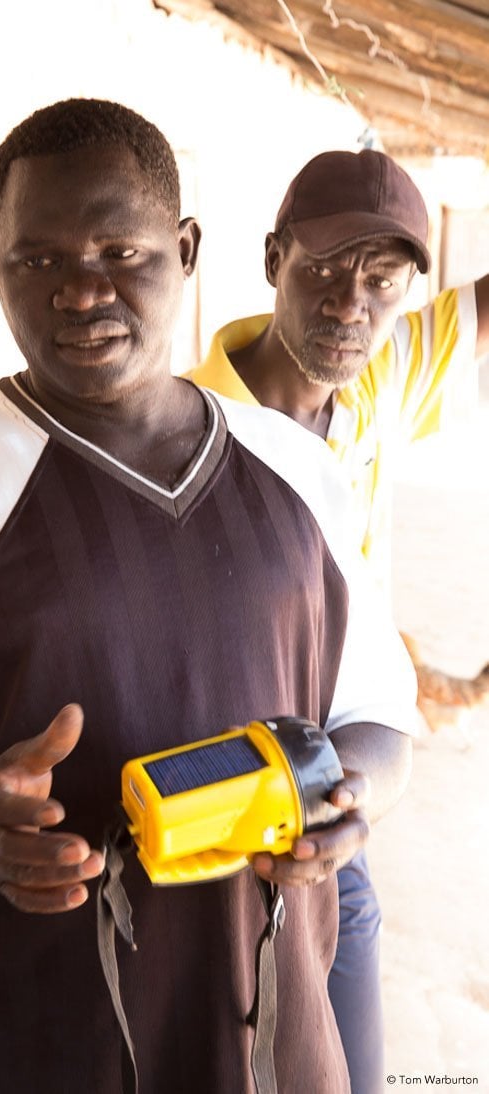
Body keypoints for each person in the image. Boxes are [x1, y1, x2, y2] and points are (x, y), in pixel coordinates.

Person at [0, 101, 416, 1094]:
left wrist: (342, 798)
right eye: (37, 259)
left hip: (254, 1024)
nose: (80, 290)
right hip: (5, 1038)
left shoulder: (296, 473)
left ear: (185, 250)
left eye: (122, 249)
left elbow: (371, 720)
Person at [188, 147, 489, 1094]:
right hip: (214, 807)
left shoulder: (375, 385)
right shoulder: (189, 430)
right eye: (322, 268)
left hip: (333, 801)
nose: (350, 303)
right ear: (273, 257)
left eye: (383, 279)